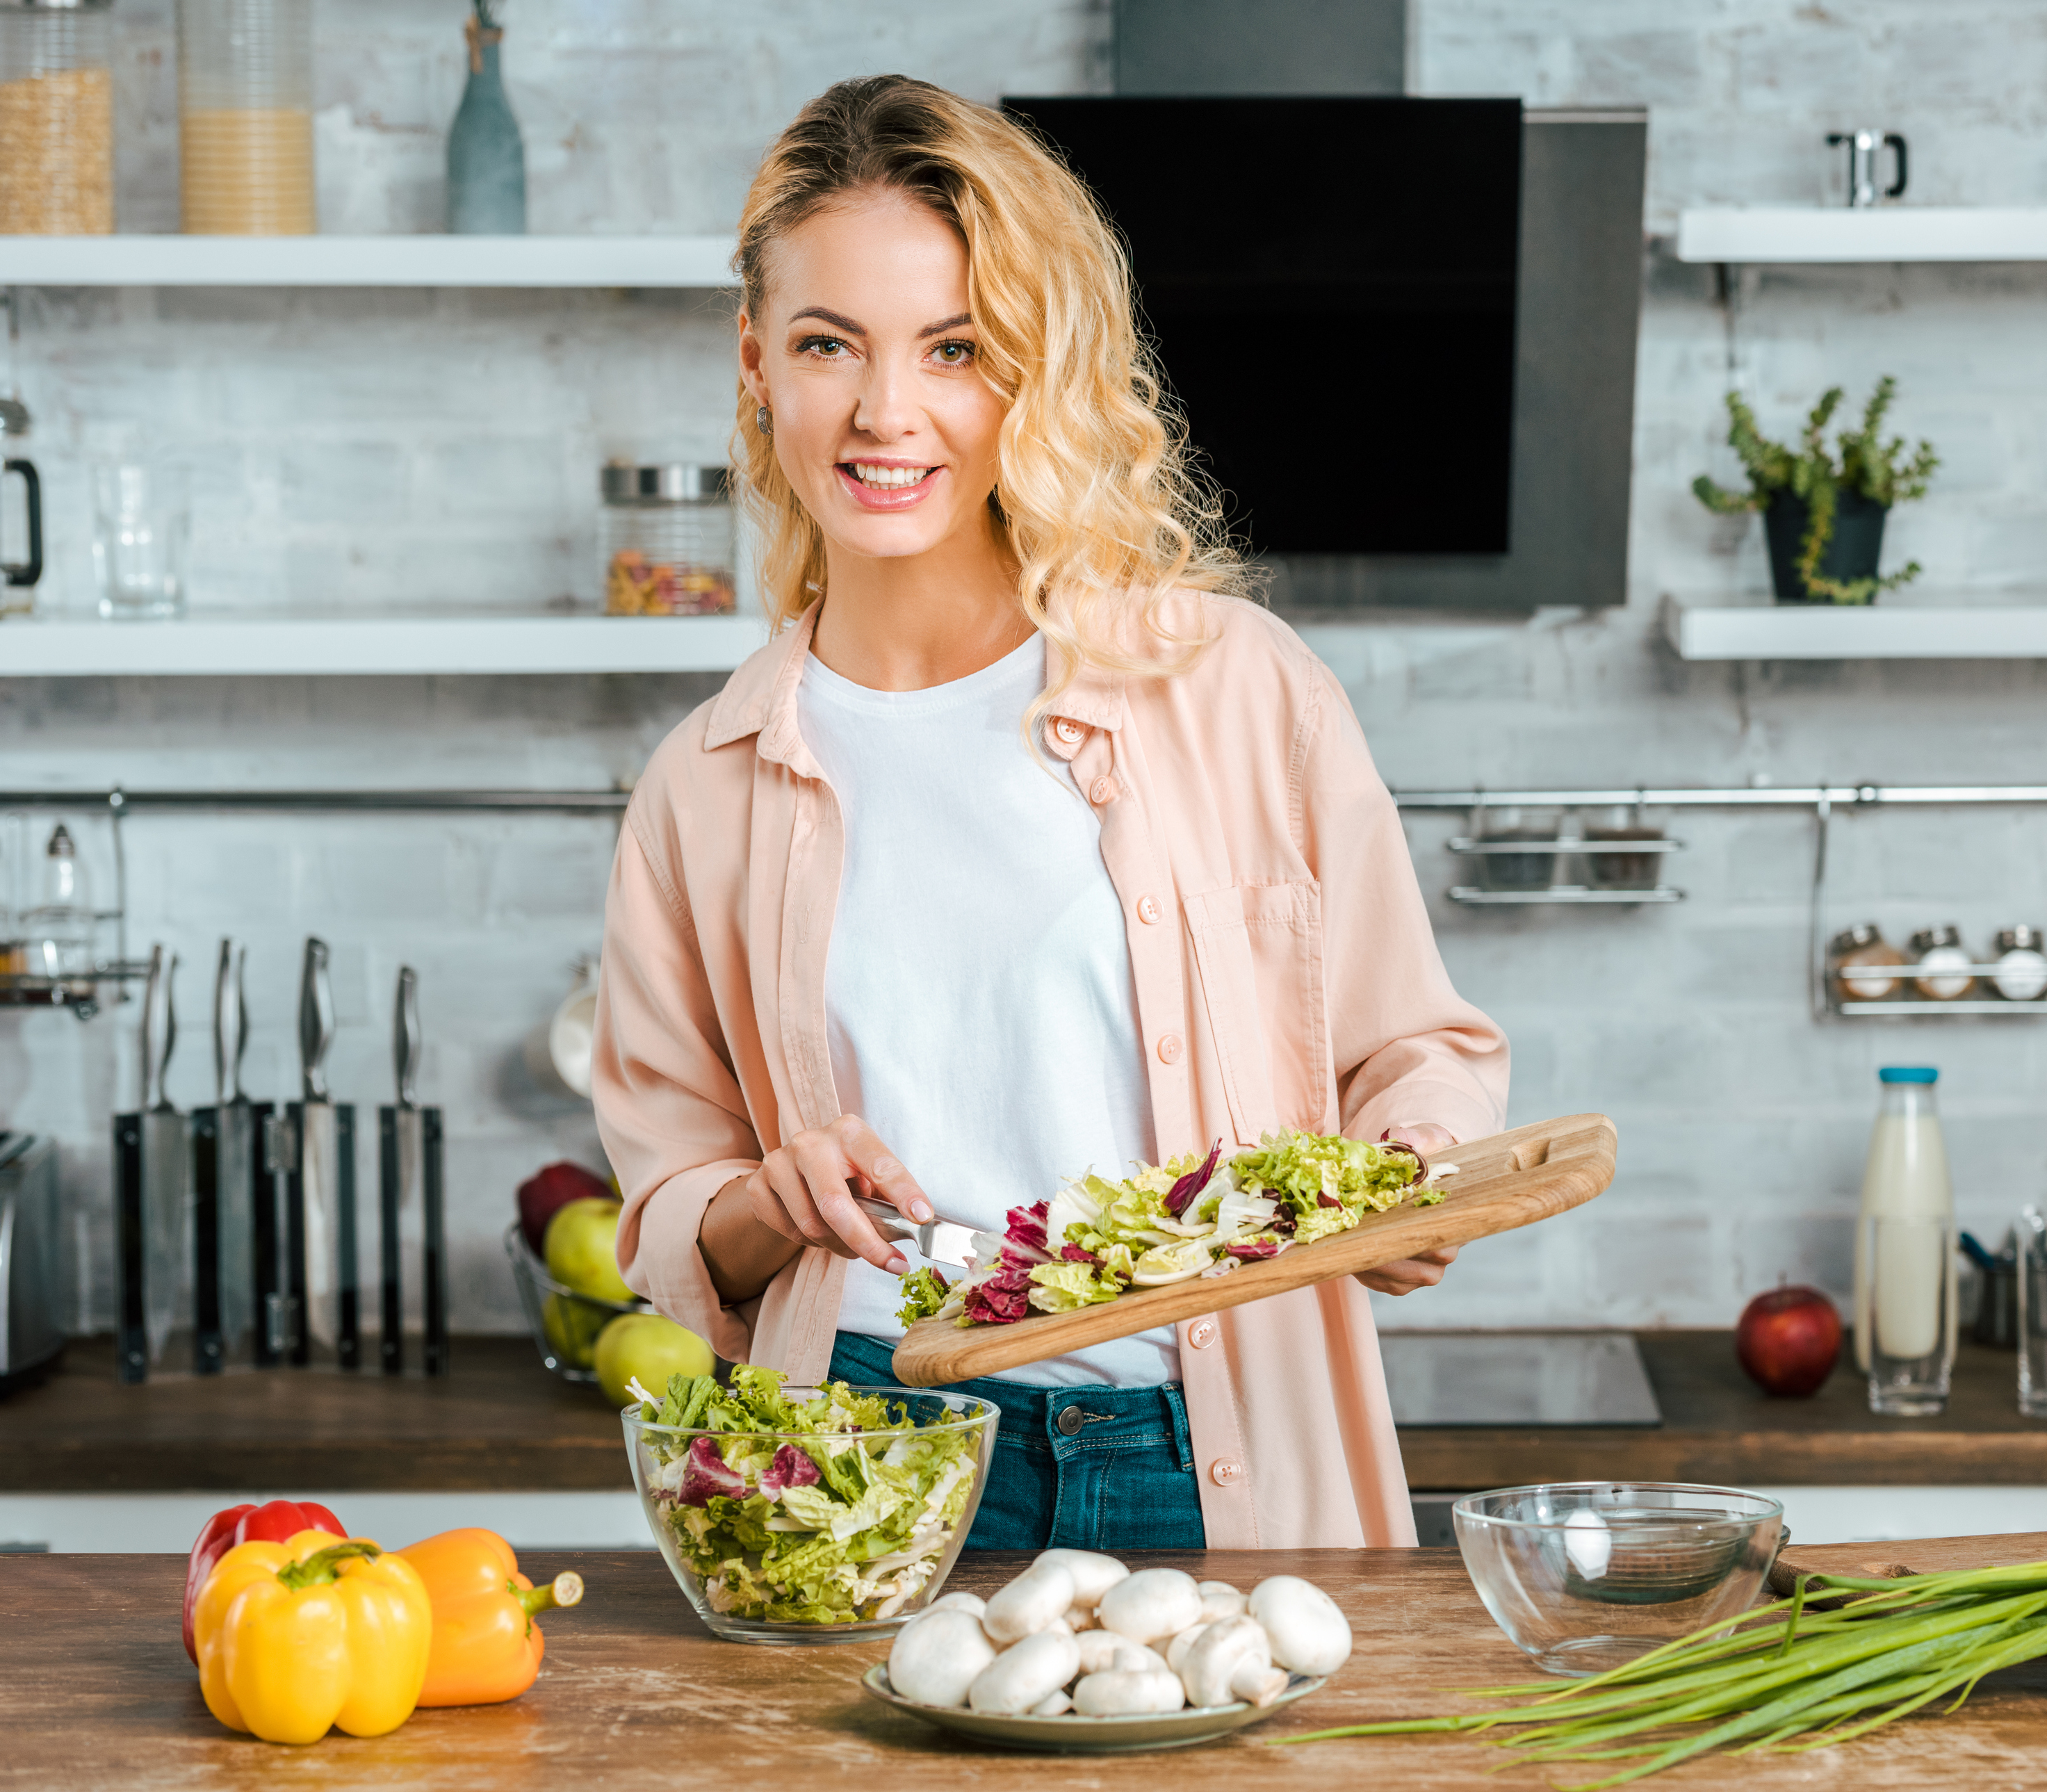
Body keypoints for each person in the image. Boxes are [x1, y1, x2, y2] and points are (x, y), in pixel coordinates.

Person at [591, 75, 1508, 1553]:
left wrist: (1410, 1171)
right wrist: (773, 1194)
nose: (888, 413)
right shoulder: (703, 787)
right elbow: (672, 1214)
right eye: (832, 344)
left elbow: (1417, 1048)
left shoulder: (1233, 688)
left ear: (1032, 371)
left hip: (1198, 1444)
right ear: (758, 362)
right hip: (865, 1445)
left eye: (955, 349)